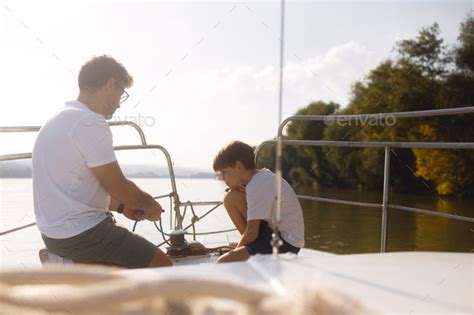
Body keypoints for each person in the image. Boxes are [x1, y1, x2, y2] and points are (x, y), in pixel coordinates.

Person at [32, 55, 172, 268]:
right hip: (82, 234)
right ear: (110, 84)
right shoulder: (90, 122)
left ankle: (69, 264)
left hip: (53, 235)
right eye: (121, 94)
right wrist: (148, 204)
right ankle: (66, 266)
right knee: (162, 265)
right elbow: (119, 187)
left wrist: (122, 207)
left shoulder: (59, 119)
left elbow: (79, 190)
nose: (119, 103)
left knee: (125, 266)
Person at [212, 141, 305, 263]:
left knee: (224, 262)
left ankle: (248, 251)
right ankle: (250, 248)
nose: (223, 178)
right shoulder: (259, 179)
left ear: (238, 166)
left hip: (286, 243)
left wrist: (234, 253)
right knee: (231, 198)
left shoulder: (258, 185)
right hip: (273, 232)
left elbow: (252, 232)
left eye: (224, 172)